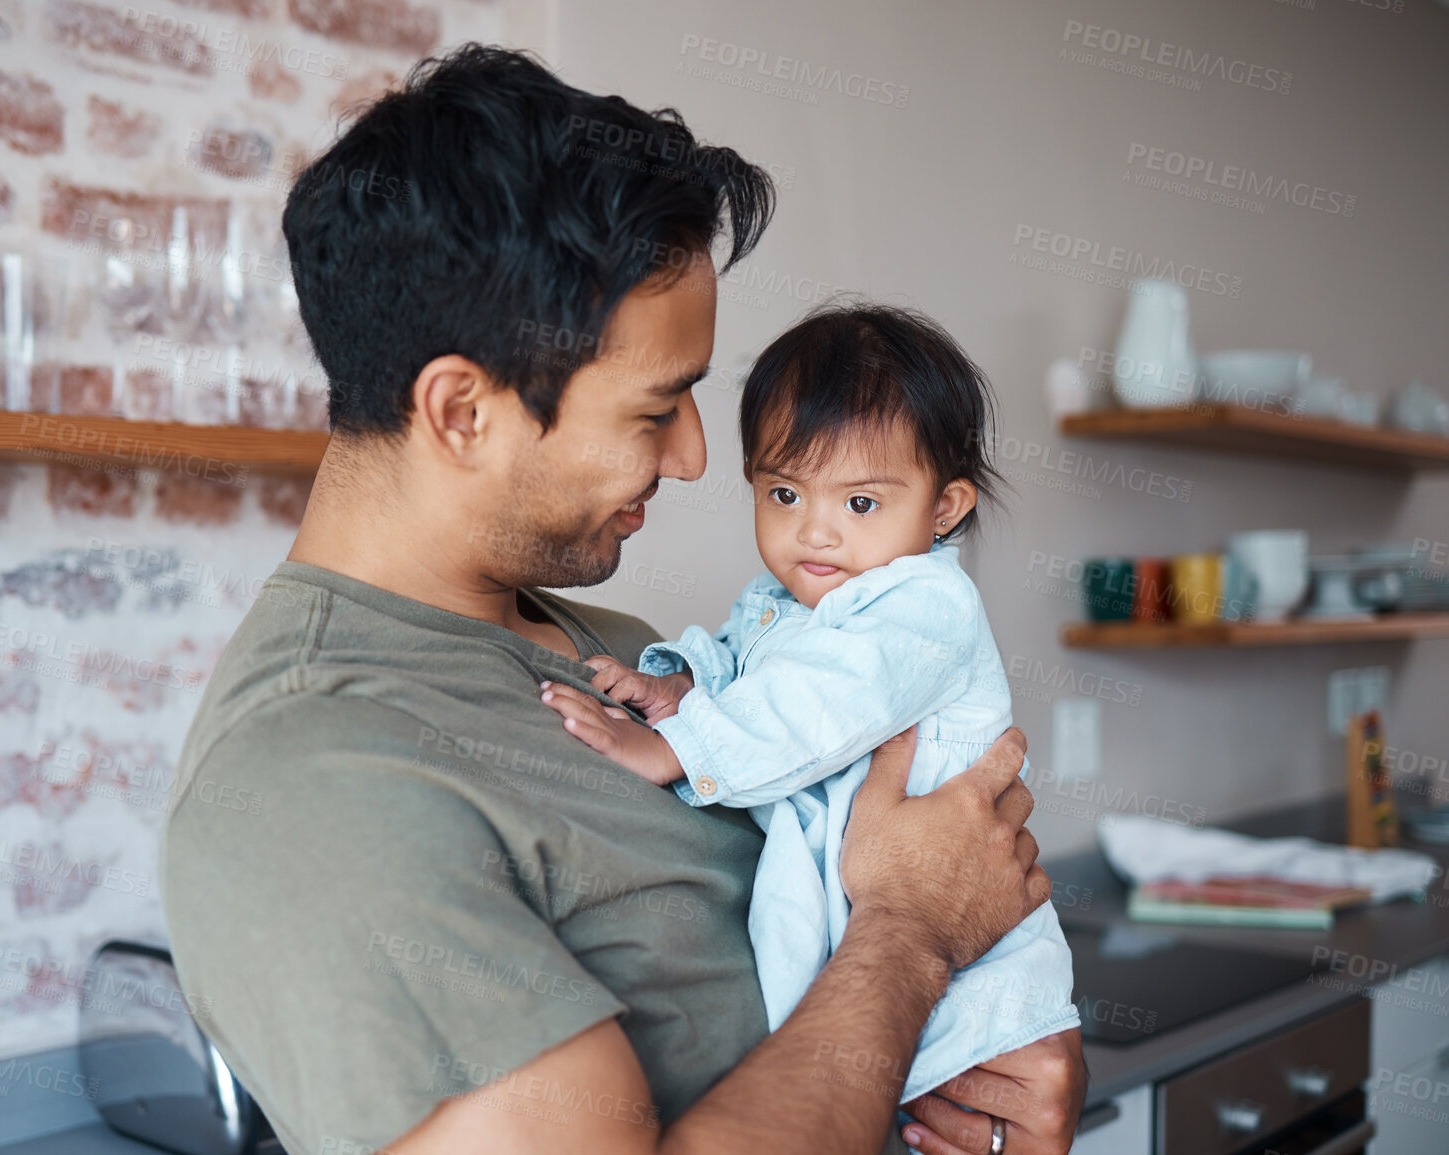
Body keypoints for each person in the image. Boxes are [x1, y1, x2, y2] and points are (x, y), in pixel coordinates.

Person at [159, 45, 1085, 1155]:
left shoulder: (627, 655)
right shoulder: (315, 781)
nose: (698, 459)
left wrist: (980, 1075)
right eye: (659, 410)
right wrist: (915, 932)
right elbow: (905, 914)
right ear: (461, 411)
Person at [538, 303, 1081, 1107]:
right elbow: (748, 667)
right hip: (874, 945)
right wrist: (678, 689)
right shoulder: (787, 602)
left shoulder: (923, 606)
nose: (814, 532)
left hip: (972, 987)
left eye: (859, 503)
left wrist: (679, 749)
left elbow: (822, 698)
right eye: (785, 492)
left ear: (944, 507)